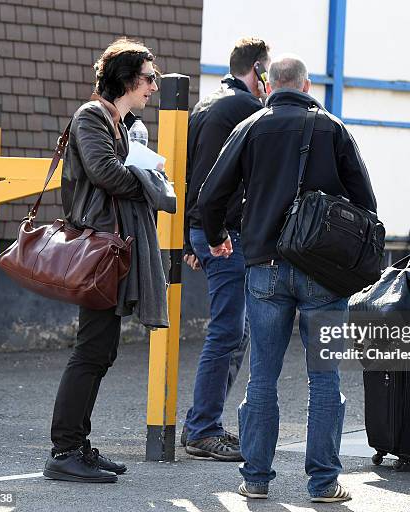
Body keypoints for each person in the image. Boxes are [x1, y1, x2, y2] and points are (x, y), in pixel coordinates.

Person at [198, 54, 376, 502]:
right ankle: (323, 483)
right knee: (325, 379)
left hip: (265, 268)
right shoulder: (332, 128)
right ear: (307, 85)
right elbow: (366, 202)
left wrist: (219, 236)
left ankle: (256, 478)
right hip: (324, 272)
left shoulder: (251, 126)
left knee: (262, 377)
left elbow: (211, 192)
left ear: (270, 84)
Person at [44, 38, 169, 483]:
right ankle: (64, 450)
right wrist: (152, 181)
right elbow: (106, 174)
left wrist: (143, 173)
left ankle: (77, 444)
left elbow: (120, 174)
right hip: (98, 250)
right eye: (149, 78)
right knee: (91, 350)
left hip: (112, 250)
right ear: (126, 79)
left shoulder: (120, 122)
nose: (153, 86)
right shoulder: (92, 116)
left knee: (101, 350)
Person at [181, 37, 270, 461]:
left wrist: (190, 236)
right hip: (225, 233)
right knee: (228, 331)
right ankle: (202, 429)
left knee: (235, 330)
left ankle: (202, 420)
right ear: (258, 70)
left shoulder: (204, 106)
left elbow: (185, 172)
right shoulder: (248, 110)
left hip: (205, 228)